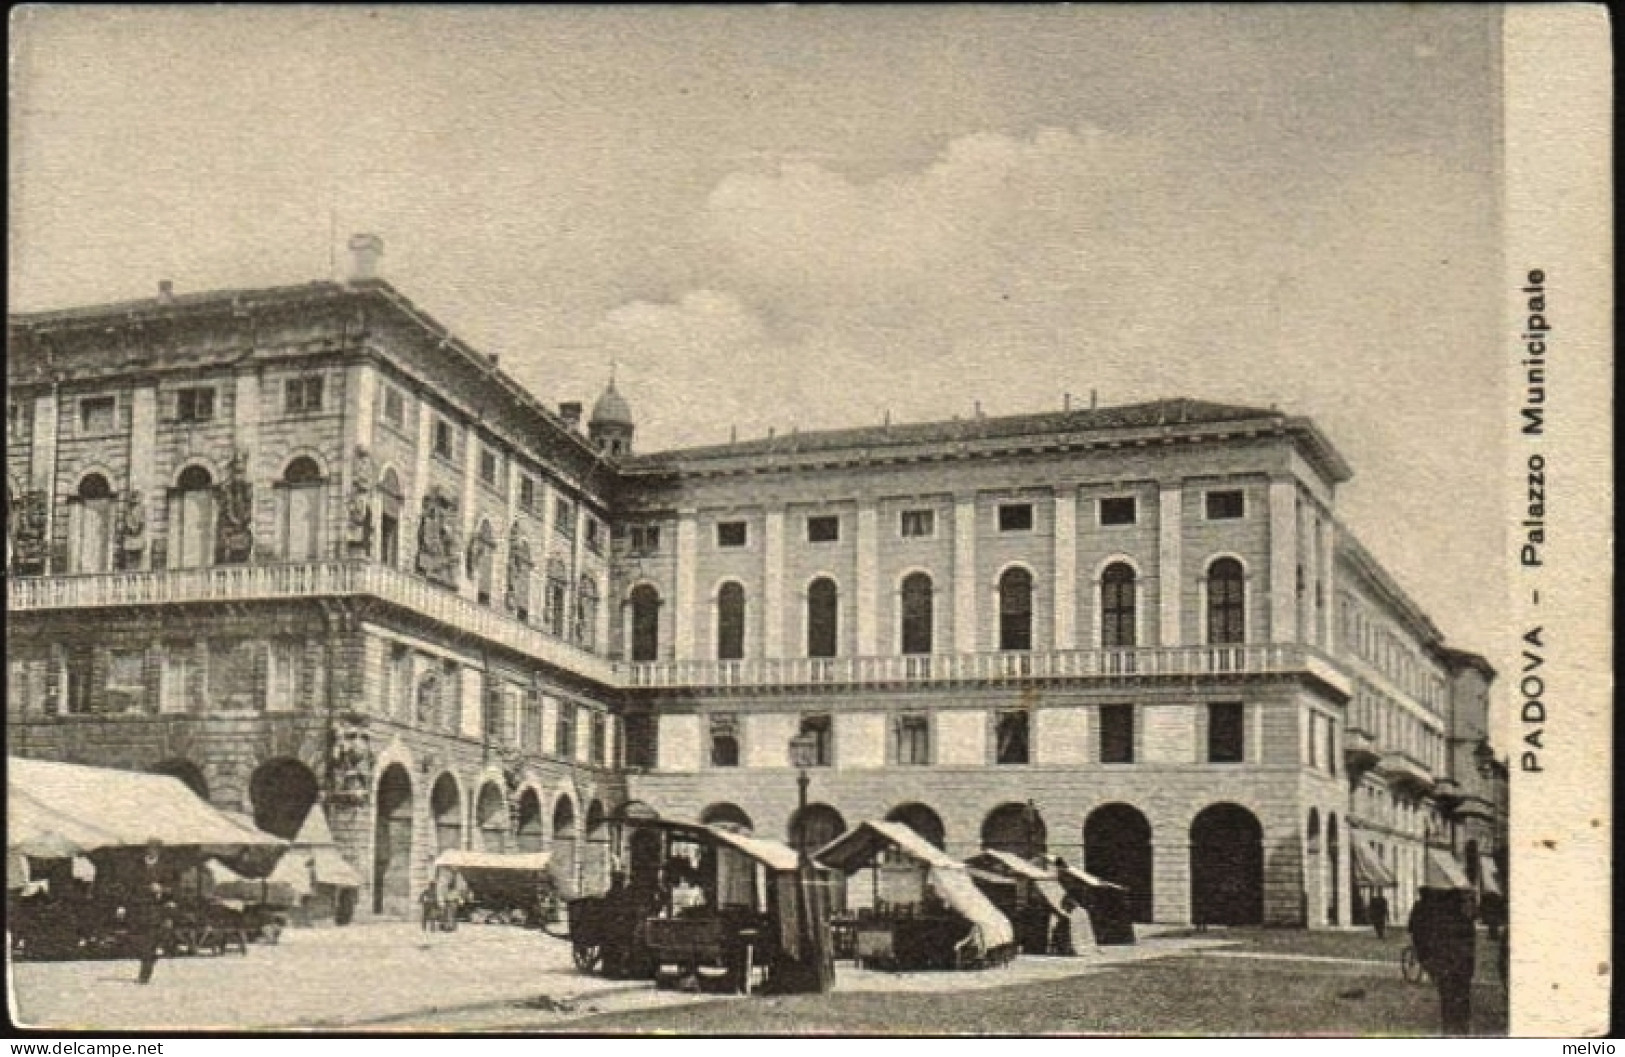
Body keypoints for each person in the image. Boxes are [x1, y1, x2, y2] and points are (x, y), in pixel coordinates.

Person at [1409, 887, 1477, 1035]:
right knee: (1462, 1000)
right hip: (1461, 966)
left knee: (1448, 1000)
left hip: (1446, 965)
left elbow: (1419, 934)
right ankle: (1461, 1031)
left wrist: (1428, 962)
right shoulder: (1461, 915)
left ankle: (1452, 1031)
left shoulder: (1432, 911)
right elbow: (1470, 943)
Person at [131, 840, 171, 985]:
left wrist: (162, 889)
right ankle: (151, 958)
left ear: (159, 851)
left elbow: (174, 887)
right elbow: (131, 885)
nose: (151, 851)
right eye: (149, 849)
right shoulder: (138, 866)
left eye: (154, 849)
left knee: (150, 941)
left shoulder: (165, 868)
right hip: (139, 909)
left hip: (157, 910)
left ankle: (144, 974)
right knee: (139, 942)